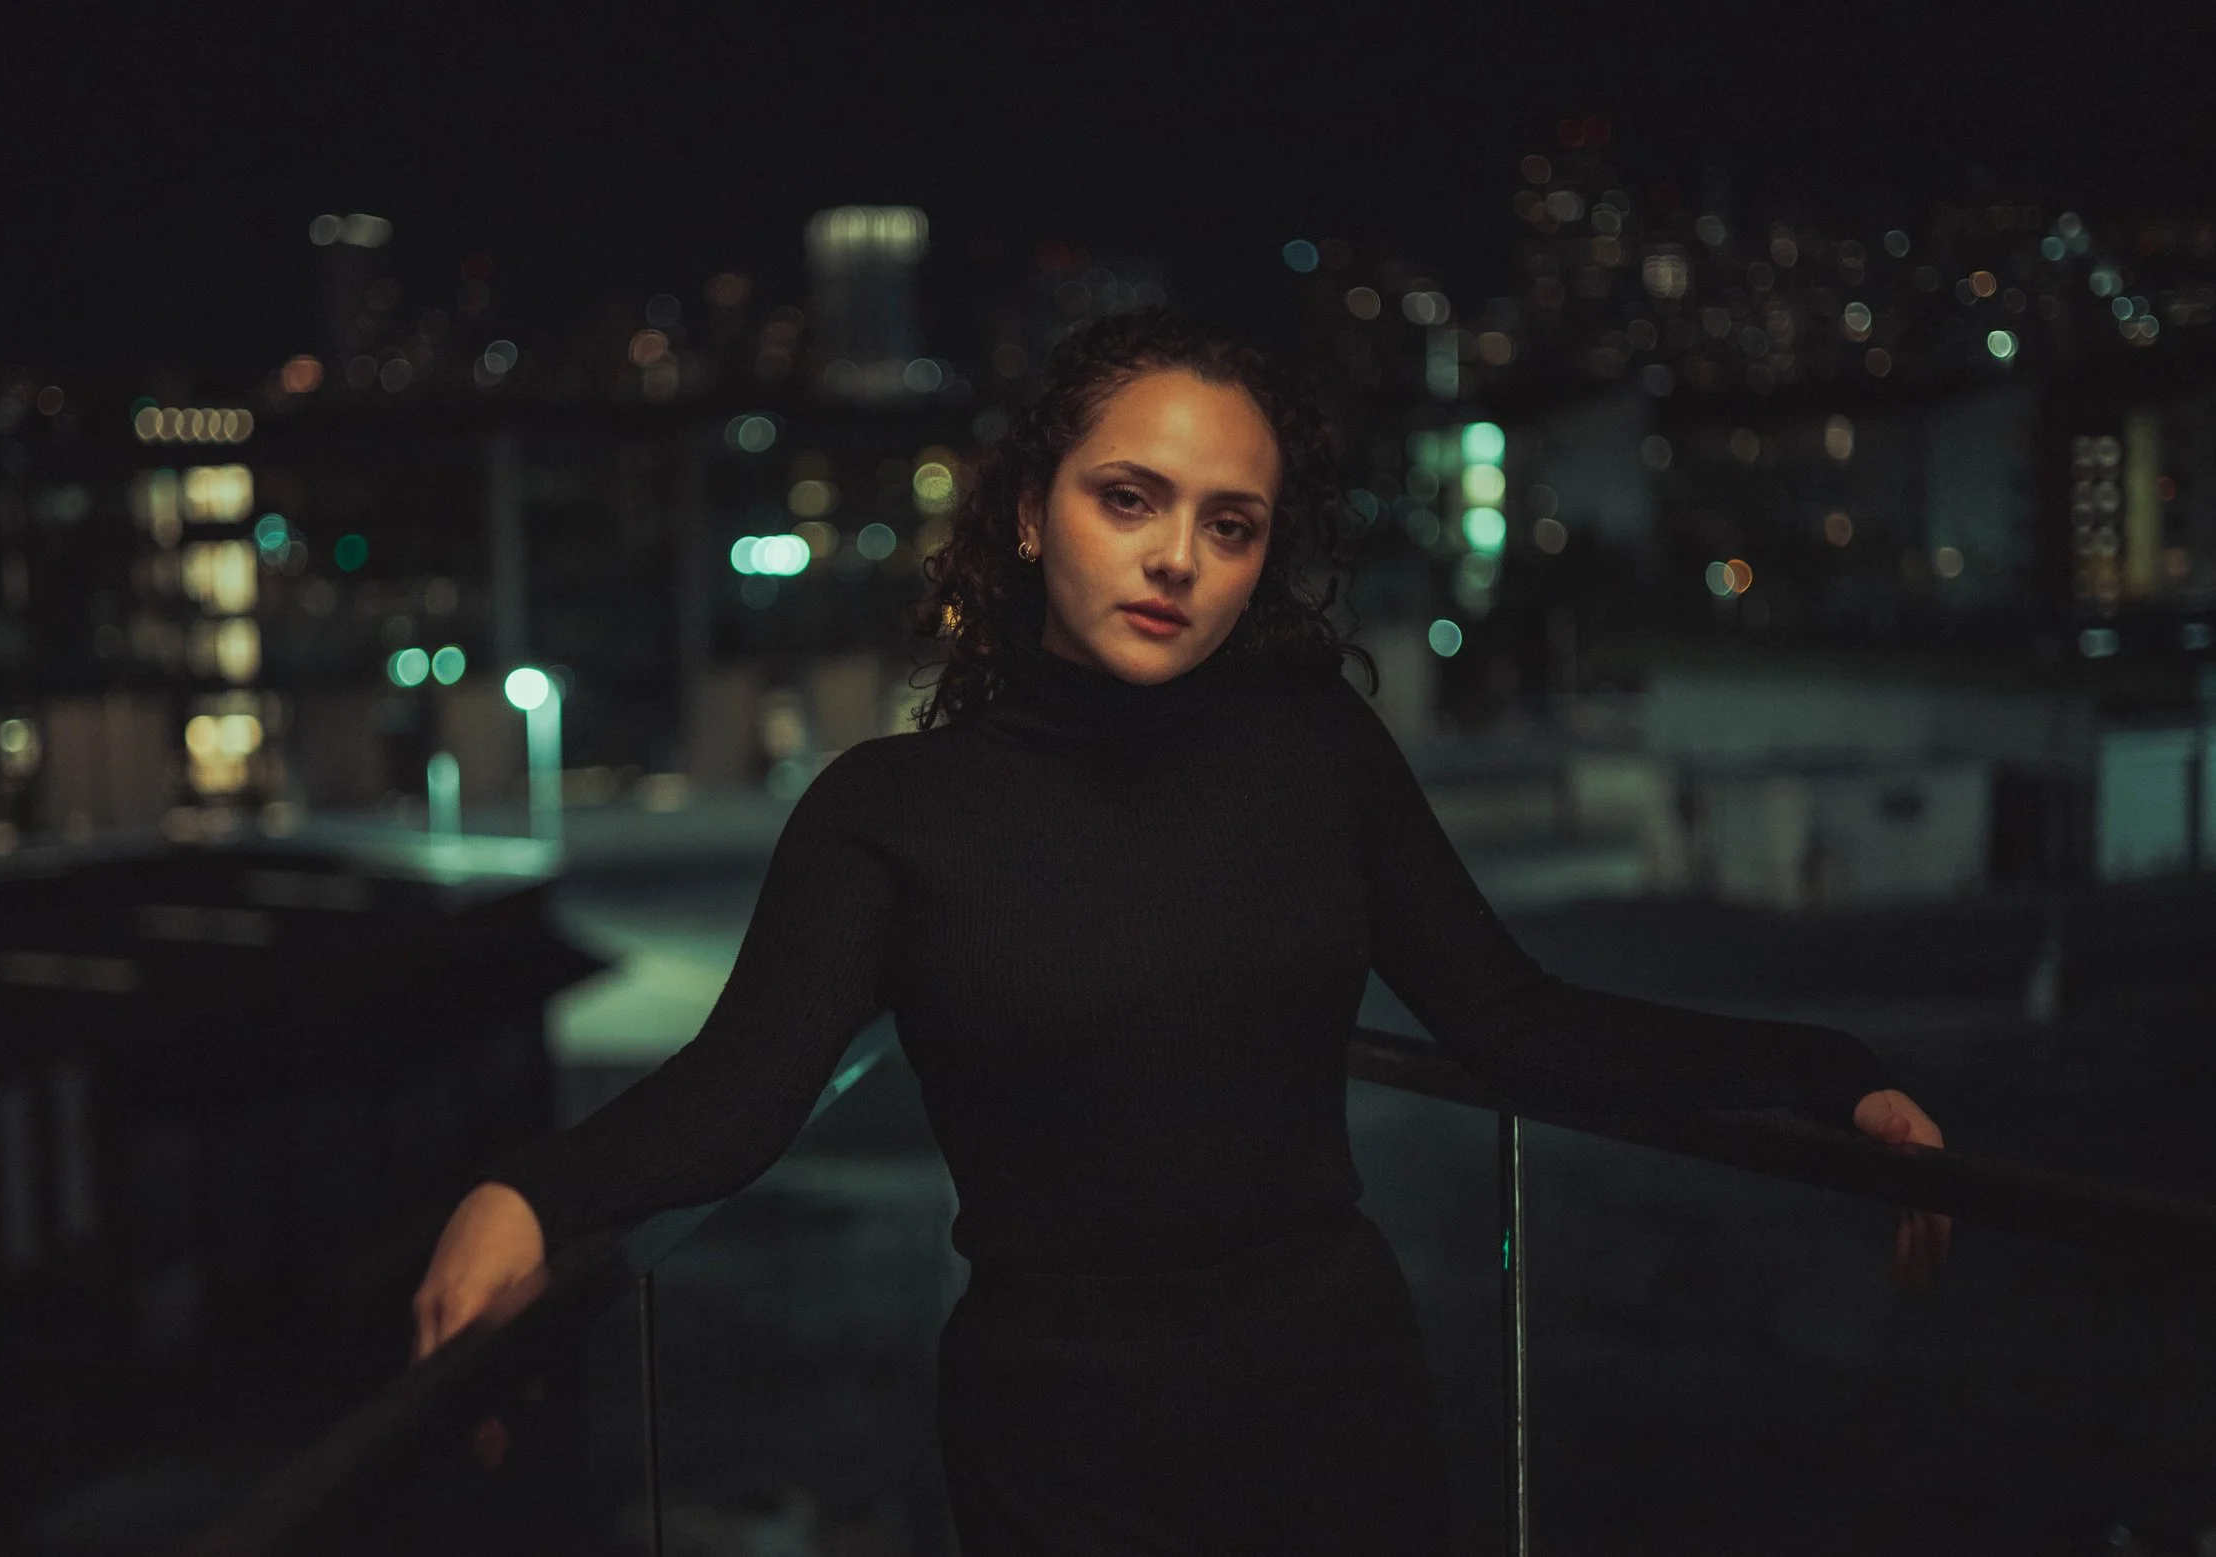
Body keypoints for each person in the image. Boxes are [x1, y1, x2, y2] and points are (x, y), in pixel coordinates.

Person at [413, 306, 1951, 1552]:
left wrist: (1828, 1077)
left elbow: (1516, 1021)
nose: (1176, 561)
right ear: (1030, 511)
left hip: (1336, 1400)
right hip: (1057, 1438)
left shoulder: (1319, 750)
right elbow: (735, 1101)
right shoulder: (889, 809)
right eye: (1128, 499)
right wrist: (529, 1195)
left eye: (1232, 524)